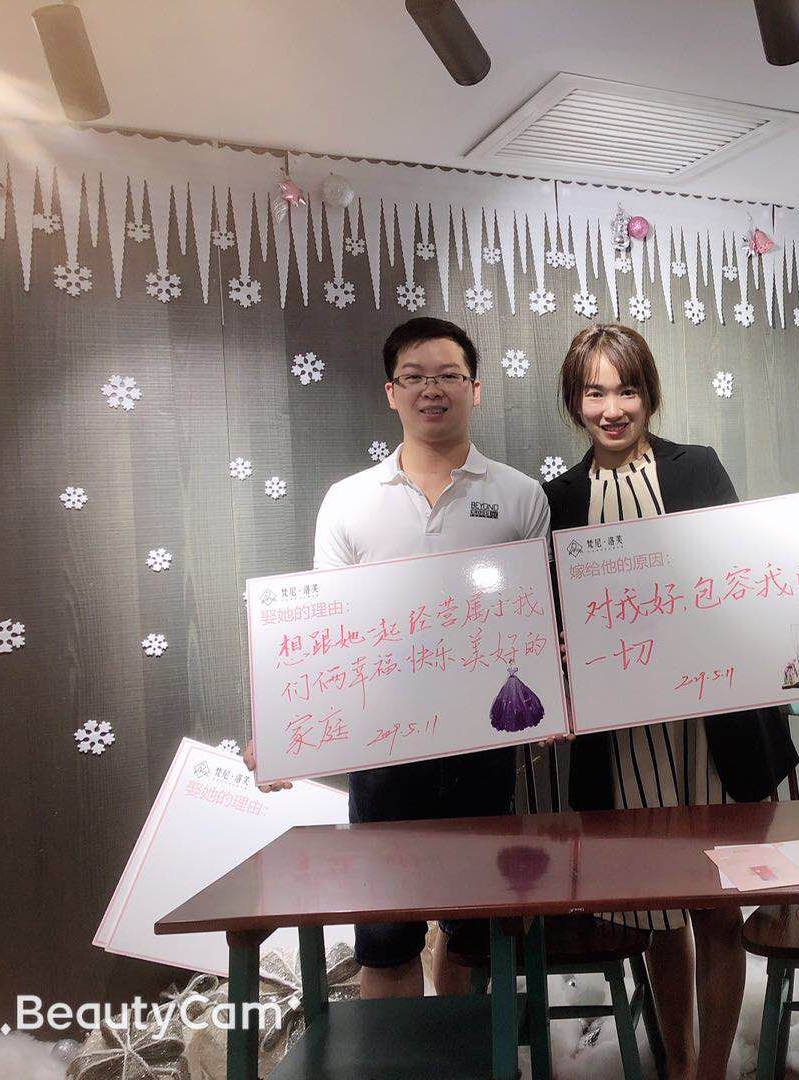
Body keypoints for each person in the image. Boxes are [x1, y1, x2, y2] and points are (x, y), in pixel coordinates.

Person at [243, 316, 550, 1000]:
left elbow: (535, 622)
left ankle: (463, 1054)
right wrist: (283, 729)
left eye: (448, 376)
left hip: (483, 746)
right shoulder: (349, 500)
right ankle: (398, 1052)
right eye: (414, 377)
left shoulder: (520, 496)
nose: (431, 390)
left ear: (475, 388)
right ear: (391, 392)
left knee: (474, 937)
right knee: (385, 943)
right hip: (382, 753)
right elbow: (323, 631)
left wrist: (556, 702)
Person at [543, 324, 799, 1080]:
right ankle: (678, 1064)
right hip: (625, 742)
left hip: (713, 731)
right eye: (595, 392)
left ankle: (711, 1072)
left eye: (626, 389)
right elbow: (553, 618)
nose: (612, 408)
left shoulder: (698, 468)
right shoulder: (558, 499)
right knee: (658, 912)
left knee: (718, 906)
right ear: (575, 401)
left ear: (649, 394)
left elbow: (745, 574)